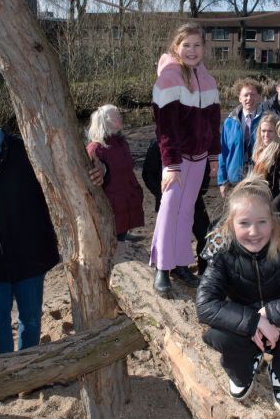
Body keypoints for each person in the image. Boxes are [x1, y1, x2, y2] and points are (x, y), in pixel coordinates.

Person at [0, 109, 105, 354]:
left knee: (30, 320)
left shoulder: (24, 150)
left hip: (28, 254)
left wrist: (99, 165)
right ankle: (5, 371)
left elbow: (65, 162)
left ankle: (27, 370)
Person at [196, 175, 280, 414]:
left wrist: (270, 313)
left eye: (261, 222)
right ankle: (245, 365)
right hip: (244, 328)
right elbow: (205, 305)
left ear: (273, 222)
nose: (254, 231)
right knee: (219, 335)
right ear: (231, 225)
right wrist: (254, 321)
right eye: (244, 223)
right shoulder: (223, 251)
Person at [150, 22, 221, 294]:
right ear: (176, 47)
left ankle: (180, 263)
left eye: (197, 45)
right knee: (169, 208)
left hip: (200, 156)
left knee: (187, 211)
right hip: (177, 158)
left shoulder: (209, 81)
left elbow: (214, 123)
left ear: (204, 48)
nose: (192, 50)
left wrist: (214, 155)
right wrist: (170, 164)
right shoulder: (169, 78)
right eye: (186, 45)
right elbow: (164, 128)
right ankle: (162, 267)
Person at [143, 139, 211, 274]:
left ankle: (204, 271)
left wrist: (201, 188)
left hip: (195, 200)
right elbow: (147, 174)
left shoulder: (196, 141)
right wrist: (163, 195)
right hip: (169, 199)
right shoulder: (157, 145)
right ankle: (171, 270)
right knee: (171, 236)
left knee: (205, 235)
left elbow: (205, 167)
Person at [86, 104, 144, 241]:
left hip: (126, 204)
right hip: (111, 209)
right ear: (107, 120)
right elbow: (93, 179)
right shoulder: (95, 149)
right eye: (117, 115)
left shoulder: (121, 144)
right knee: (114, 243)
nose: (121, 116)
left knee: (121, 240)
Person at [250, 112, 280, 225]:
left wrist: (266, 210)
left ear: (277, 133)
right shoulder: (258, 154)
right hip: (260, 213)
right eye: (263, 131)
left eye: (270, 131)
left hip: (277, 216)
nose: (266, 134)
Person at [218, 78, 262, 198]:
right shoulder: (229, 122)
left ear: (258, 97)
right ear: (240, 98)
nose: (249, 98)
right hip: (234, 180)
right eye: (245, 95)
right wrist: (222, 181)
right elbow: (222, 153)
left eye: (252, 95)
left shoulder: (266, 120)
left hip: (258, 179)